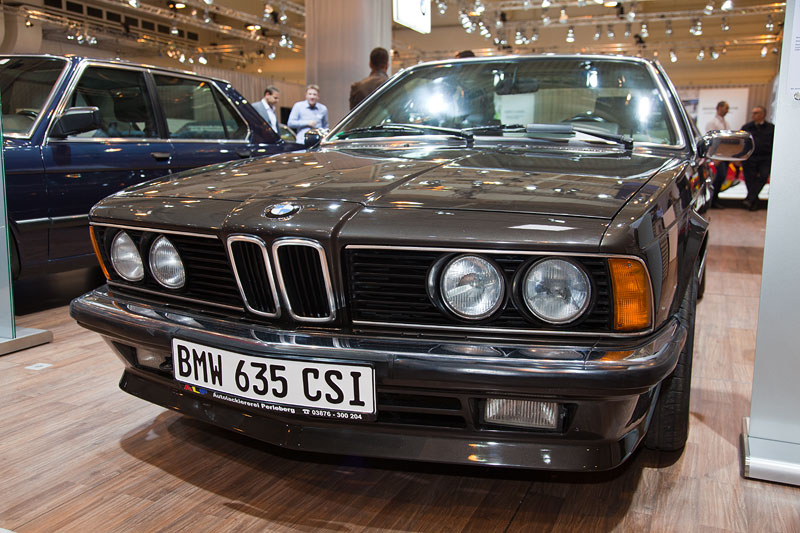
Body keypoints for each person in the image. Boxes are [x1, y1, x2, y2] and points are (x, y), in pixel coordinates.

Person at [740, 105, 774, 211]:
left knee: (763, 177)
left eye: (756, 113)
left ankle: (750, 199)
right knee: (749, 179)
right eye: (753, 113)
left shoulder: (771, 128)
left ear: (762, 114)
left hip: (765, 158)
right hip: (750, 157)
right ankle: (753, 203)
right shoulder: (746, 127)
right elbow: (741, 143)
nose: (753, 115)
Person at [705, 100, 730, 208]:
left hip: (724, 155)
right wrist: (714, 157)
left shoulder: (726, 123)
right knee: (718, 177)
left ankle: (715, 200)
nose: (727, 110)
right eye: (726, 108)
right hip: (716, 155)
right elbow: (711, 141)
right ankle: (711, 201)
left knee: (722, 177)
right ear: (719, 108)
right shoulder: (713, 123)